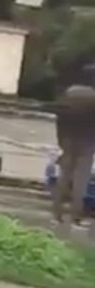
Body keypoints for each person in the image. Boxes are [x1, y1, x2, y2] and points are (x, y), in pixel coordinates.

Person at [53, 68, 95, 226]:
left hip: (68, 142)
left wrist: (61, 141)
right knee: (80, 181)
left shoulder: (69, 94)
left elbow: (59, 119)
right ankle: (75, 217)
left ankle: (57, 214)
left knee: (64, 178)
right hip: (87, 143)